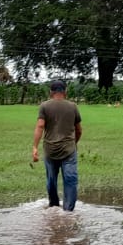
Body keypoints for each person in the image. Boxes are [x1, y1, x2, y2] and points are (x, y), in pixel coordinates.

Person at [32, 79, 82, 210]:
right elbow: (79, 129)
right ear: (65, 92)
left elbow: (40, 126)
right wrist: (74, 142)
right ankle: (68, 211)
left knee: (51, 180)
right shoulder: (73, 106)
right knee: (70, 180)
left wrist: (35, 147)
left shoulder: (44, 106)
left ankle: (53, 205)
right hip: (69, 150)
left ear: (51, 92)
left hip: (50, 149)